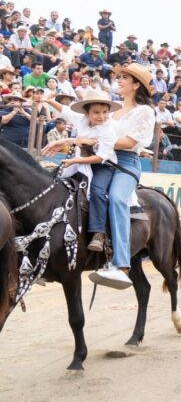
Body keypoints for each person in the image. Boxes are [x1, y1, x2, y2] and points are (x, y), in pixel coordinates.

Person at [88, 63, 156, 289]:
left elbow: (129, 143)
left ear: (136, 85)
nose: (119, 80)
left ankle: (122, 265)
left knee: (117, 198)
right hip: (101, 158)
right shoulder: (111, 109)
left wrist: (97, 141)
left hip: (126, 162)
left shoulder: (144, 112)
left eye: (124, 77)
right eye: (119, 76)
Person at [42, 89, 121, 253]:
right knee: (53, 180)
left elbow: (100, 157)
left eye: (105, 112)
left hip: (102, 166)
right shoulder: (81, 119)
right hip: (78, 162)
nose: (102, 116)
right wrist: (48, 101)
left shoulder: (109, 129)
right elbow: (65, 111)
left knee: (97, 191)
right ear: (87, 112)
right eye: (96, 112)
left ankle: (99, 233)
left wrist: (74, 160)